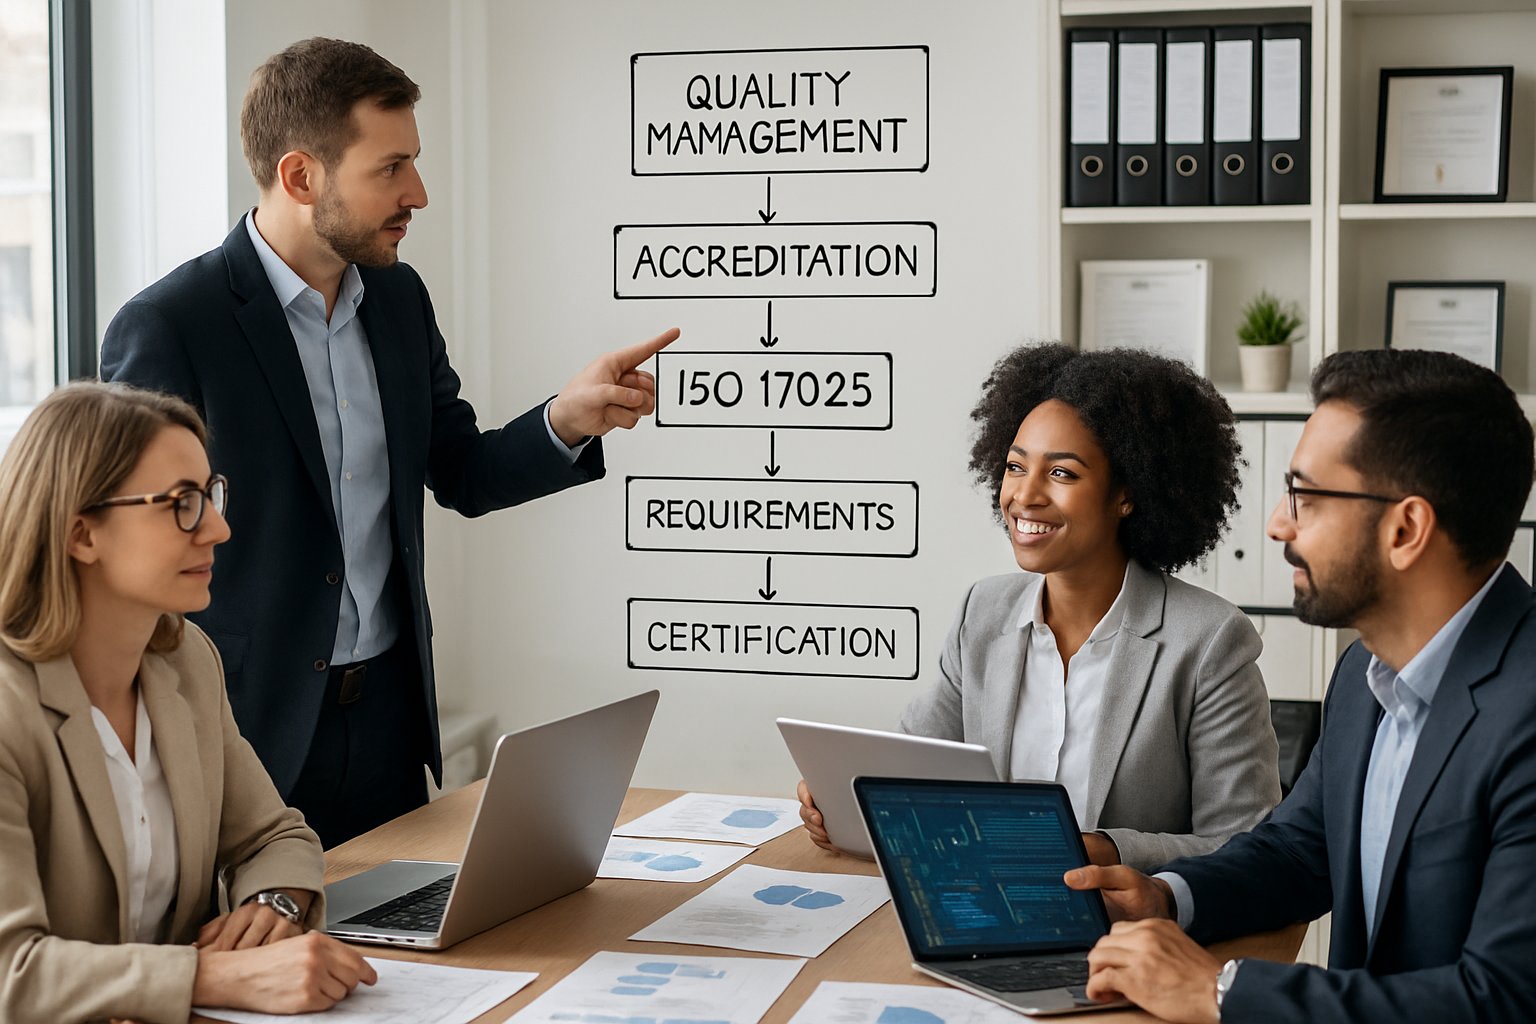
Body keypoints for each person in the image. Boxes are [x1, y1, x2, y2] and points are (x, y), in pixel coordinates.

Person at [100, 37, 677, 846]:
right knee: (268, 963)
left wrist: (566, 421)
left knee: (412, 967)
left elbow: (462, 471)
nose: (420, 192)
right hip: (242, 735)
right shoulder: (170, 327)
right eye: (391, 168)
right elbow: (138, 548)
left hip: (390, 731)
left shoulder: (399, 300)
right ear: (301, 176)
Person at [1067, 349, 1536, 1023]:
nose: (1277, 524)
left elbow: (1501, 1002)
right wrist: (1165, 897)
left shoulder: (1525, 709)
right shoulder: (1365, 669)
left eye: (1306, 497)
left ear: (1406, 528)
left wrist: (1220, 991)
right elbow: (1299, 849)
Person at [798, 344, 1282, 870]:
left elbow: (1246, 844)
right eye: (1014, 466)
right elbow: (909, 768)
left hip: (1125, 933)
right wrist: (848, 803)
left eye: (1062, 474)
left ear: (1127, 493)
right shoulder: (982, 611)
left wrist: (1105, 849)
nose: (1024, 496)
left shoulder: (1209, 640)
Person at [0, 382, 376, 1021]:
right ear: (81, 534)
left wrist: (271, 907)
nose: (219, 528)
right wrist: (214, 976)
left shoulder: (184, 659)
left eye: (210, 495)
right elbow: (12, 972)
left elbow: (272, 835)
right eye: (181, 504)